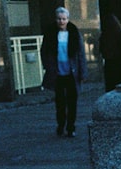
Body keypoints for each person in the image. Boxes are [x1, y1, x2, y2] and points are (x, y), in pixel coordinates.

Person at [40, 6, 87, 138]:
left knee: (72, 101)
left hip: (72, 72)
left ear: (68, 19)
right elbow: (44, 51)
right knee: (60, 103)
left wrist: (83, 72)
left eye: (64, 19)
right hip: (57, 73)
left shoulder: (74, 32)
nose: (61, 21)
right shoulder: (50, 33)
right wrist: (47, 66)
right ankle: (61, 125)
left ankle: (71, 127)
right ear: (56, 19)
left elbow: (81, 54)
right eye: (59, 19)